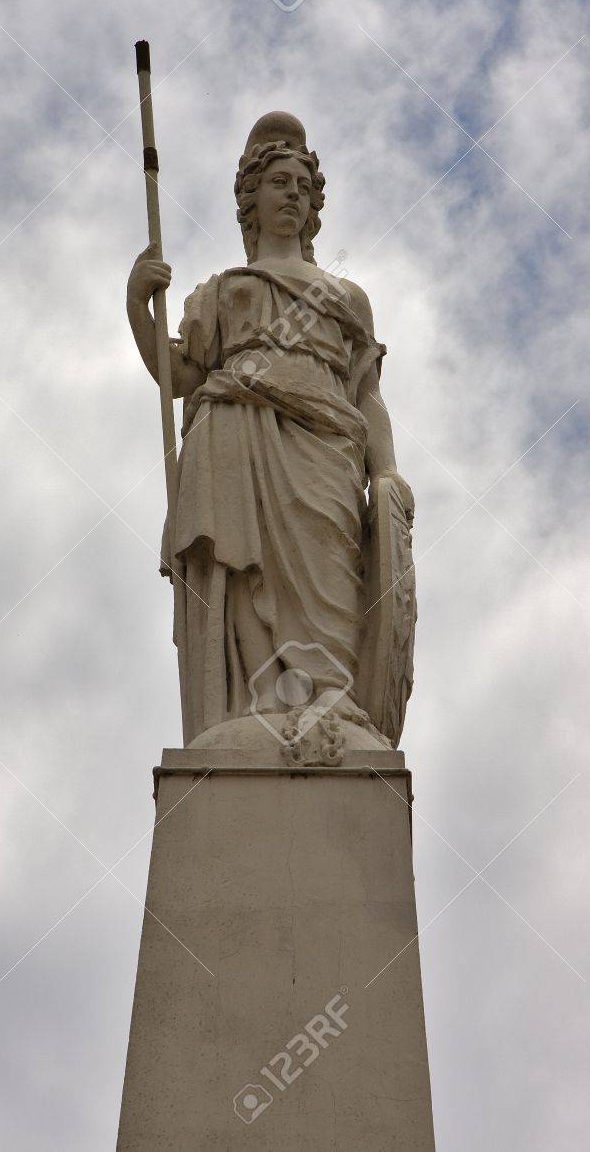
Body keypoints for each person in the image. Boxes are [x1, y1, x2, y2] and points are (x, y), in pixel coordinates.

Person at [126, 112, 414, 749]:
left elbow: (366, 395)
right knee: (241, 570)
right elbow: (180, 375)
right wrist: (138, 309)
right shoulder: (221, 292)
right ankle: (256, 711)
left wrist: (386, 472)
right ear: (250, 199)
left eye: (303, 187)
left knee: (332, 571)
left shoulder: (345, 299)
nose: (292, 194)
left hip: (327, 451)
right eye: (279, 181)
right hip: (236, 438)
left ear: (315, 208)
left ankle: (331, 709)